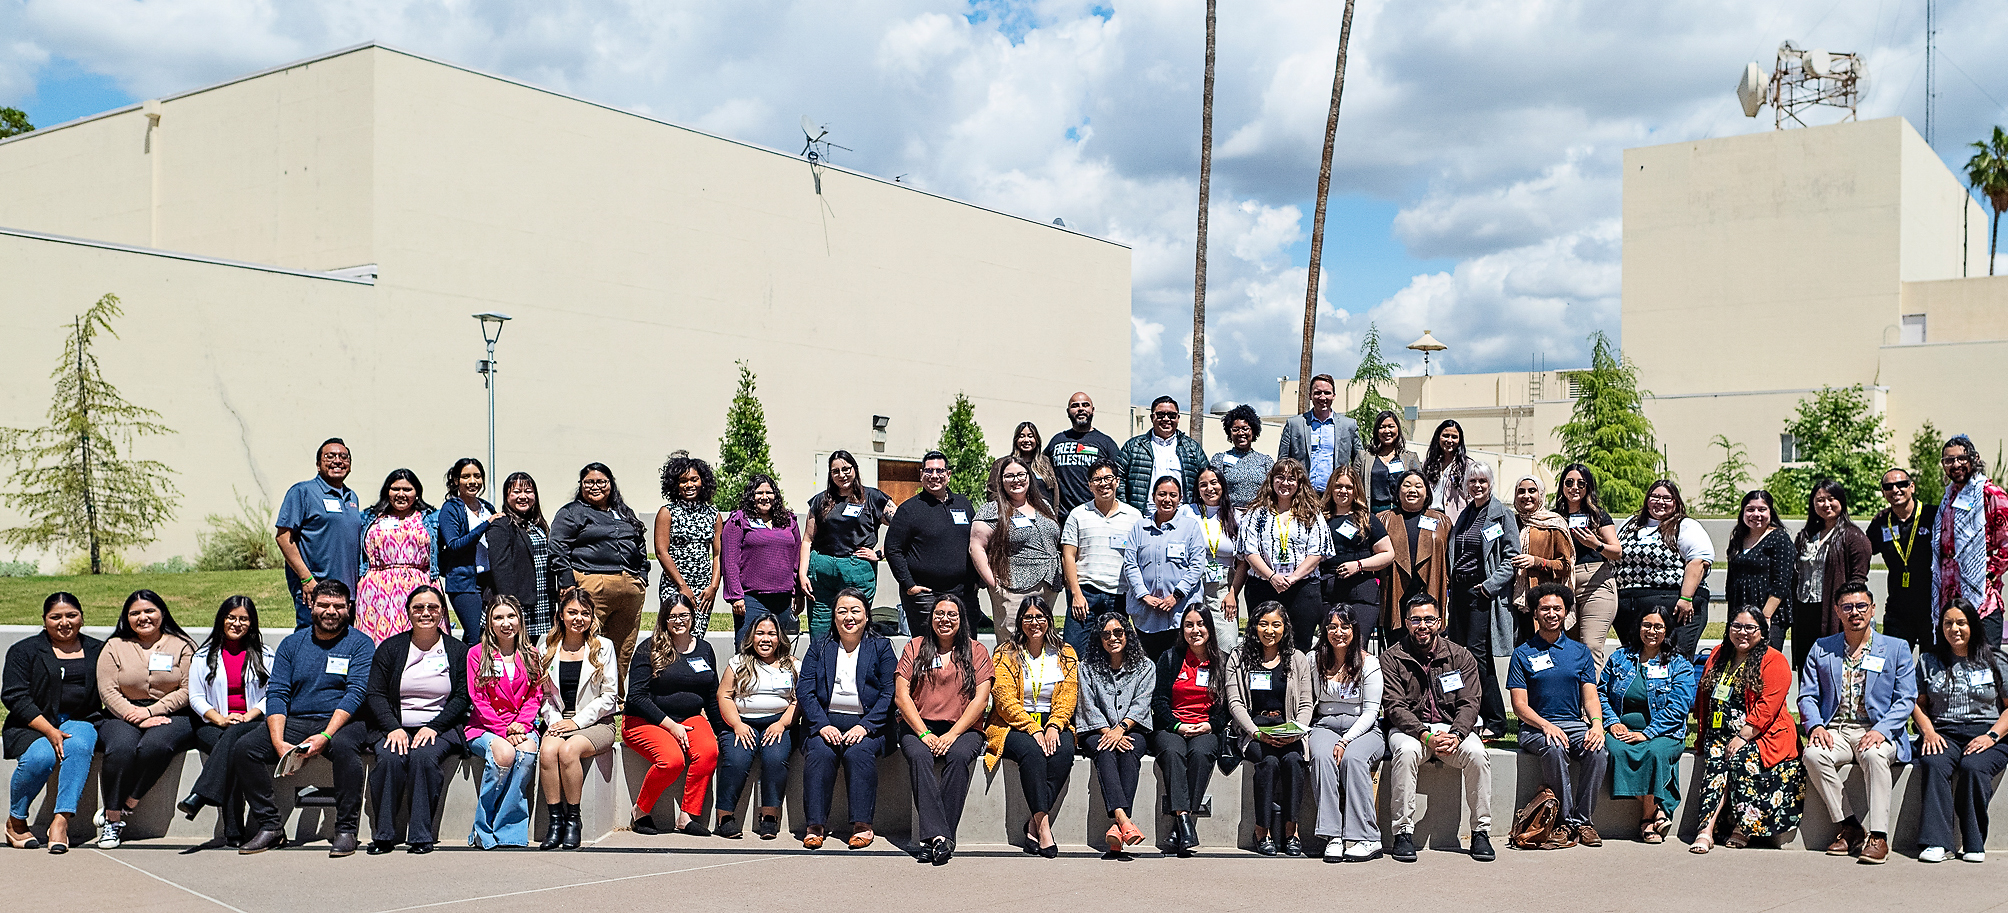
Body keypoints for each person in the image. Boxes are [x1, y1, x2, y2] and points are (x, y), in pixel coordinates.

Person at [234, 580, 375, 856]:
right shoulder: (292, 644)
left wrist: (326, 736)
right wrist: (278, 742)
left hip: (344, 721)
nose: (330, 611)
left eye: (338, 606)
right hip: (298, 719)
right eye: (323, 604)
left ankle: (346, 830)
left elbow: (356, 693)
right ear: (311, 605)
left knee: (346, 749)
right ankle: (270, 826)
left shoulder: (360, 644)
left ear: (349, 609)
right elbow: (277, 692)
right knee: (245, 749)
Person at [1798, 582, 1916, 865]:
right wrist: (1815, 726)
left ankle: (1878, 837)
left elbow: (1906, 699)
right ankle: (1849, 826)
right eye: (1848, 607)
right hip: (1835, 729)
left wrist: (1881, 730)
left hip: (1876, 729)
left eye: (1861, 606)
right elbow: (1807, 695)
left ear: (1872, 609)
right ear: (1837, 611)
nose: (1855, 613)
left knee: (1875, 756)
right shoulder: (1822, 649)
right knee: (1812, 754)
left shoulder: (1896, 648)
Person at [1380, 594, 1493, 863]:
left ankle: (1481, 832)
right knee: (1406, 753)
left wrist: (1456, 734)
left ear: (1440, 622)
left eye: (1429, 619)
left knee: (1478, 754)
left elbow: (1470, 701)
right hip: (1411, 731)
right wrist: (1424, 735)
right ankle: (1403, 833)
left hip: (1452, 728)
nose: (1423, 625)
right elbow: (1395, 707)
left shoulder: (1460, 656)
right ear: (1406, 623)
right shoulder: (1392, 658)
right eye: (1416, 619)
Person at [360, 585, 469, 854]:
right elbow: (375, 694)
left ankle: (421, 835)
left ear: (442, 612)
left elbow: (462, 697)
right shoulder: (390, 648)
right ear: (408, 612)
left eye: (432, 607)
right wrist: (393, 728)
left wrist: (434, 727)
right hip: (394, 726)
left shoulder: (456, 651)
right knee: (388, 758)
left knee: (423, 757)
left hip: (439, 727)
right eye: (418, 608)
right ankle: (384, 834)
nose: (425, 613)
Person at [1689, 607, 1804, 854]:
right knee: (1715, 762)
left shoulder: (1774, 660)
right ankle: (1706, 830)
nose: (1743, 633)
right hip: (1720, 732)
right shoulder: (1720, 654)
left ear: (1762, 633)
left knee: (1741, 759)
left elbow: (1768, 707)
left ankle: (1744, 827)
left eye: (1750, 628)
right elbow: (1704, 695)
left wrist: (1742, 736)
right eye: (1737, 626)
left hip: (1762, 734)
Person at [93, 589, 196, 849]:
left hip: (172, 712)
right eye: (135, 613)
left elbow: (187, 688)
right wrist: (135, 716)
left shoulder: (182, 645)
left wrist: (152, 712)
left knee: (155, 746)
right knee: (120, 749)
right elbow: (108, 690)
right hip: (121, 713)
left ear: (162, 612)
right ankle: (112, 819)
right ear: (126, 617)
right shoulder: (114, 646)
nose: (143, 617)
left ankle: (132, 799)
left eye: (149, 610)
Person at [1507, 583, 1608, 847]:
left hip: (1574, 725)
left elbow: (1590, 696)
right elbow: (1519, 705)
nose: (1551, 613)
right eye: (1545, 609)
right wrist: (1545, 725)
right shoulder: (1522, 653)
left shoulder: (1580, 652)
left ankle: (1584, 821)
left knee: (1598, 752)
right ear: (1535, 614)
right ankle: (1564, 823)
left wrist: (1597, 725)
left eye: (1557, 608)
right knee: (1553, 747)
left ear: (1566, 613)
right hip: (1534, 726)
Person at [800, 589, 900, 850]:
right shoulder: (820, 646)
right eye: (842, 611)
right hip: (825, 720)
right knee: (820, 753)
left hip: (869, 723)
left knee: (859, 753)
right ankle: (814, 826)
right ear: (833, 617)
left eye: (855, 611)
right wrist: (821, 725)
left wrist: (866, 726)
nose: (849, 617)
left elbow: (891, 691)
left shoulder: (880, 646)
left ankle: (862, 825)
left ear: (867, 616)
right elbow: (805, 690)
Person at [896, 594, 993, 864]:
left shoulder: (977, 651)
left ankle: (933, 838)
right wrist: (924, 734)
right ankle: (942, 838)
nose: (945, 620)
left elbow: (981, 700)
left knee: (959, 757)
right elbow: (902, 696)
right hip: (918, 725)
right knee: (919, 756)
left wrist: (952, 735)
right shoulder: (915, 647)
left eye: (952, 614)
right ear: (931, 618)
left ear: (962, 620)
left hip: (962, 727)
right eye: (939, 614)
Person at [1910, 599, 2008, 863]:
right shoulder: (1929, 660)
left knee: (1973, 767)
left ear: (1972, 625)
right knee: (1933, 762)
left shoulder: (1995, 659)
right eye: (1948, 623)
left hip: (1988, 733)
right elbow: (1916, 704)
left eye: (1961, 622)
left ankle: (1973, 842)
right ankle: (1936, 843)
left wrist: (1991, 737)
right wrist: (1928, 732)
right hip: (1944, 731)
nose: (1955, 628)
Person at [4, 593, 103, 853]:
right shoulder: (24, 651)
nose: (64, 622)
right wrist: (49, 730)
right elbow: (14, 695)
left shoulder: (98, 650)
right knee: (40, 757)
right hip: (32, 724)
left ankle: (60, 822)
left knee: (80, 745)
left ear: (81, 617)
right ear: (44, 620)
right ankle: (15, 821)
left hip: (80, 719)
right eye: (55, 617)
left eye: (71, 615)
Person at [983, 597, 1080, 857]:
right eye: (1028, 617)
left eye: (1039, 617)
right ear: (1020, 622)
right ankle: (1043, 827)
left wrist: (1054, 725)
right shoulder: (1005, 653)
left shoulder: (1065, 653)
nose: (1034, 623)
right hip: (1012, 723)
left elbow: (1069, 695)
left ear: (1049, 620)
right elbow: (1002, 697)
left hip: (1052, 720)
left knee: (1063, 753)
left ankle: (1032, 825)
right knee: (1033, 753)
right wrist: (1032, 728)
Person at [176, 596, 276, 846]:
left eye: (244, 618)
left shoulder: (265, 654)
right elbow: (196, 698)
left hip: (253, 721)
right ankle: (231, 828)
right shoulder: (202, 656)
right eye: (231, 617)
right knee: (232, 749)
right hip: (212, 724)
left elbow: (272, 695)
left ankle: (205, 801)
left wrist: (247, 715)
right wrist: (220, 719)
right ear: (221, 619)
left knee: (234, 745)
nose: (237, 623)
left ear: (252, 623)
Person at [1596, 604, 1695, 844]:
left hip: (1665, 732)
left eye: (1658, 627)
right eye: (1647, 625)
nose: (1652, 631)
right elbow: (1600, 693)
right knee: (1617, 751)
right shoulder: (1619, 658)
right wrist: (1611, 722)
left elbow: (1678, 708)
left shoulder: (1679, 665)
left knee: (1653, 753)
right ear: (1638, 627)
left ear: (1667, 631)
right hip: (1621, 729)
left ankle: (1646, 818)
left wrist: (1648, 733)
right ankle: (1660, 810)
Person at [624, 593, 721, 837]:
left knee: (709, 751)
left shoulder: (705, 649)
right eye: (672, 616)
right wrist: (670, 726)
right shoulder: (649, 649)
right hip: (645, 720)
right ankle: (640, 811)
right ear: (664, 620)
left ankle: (687, 816)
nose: (678, 621)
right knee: (671, 760)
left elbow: (711, 696)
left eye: (684, 615)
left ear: (693, 617)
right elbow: (636, 697)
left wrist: (723, 732)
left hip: (688, 718)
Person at [1225, 602, 1314, 856]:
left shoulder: (1297, 659)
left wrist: (1297, 731)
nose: (1269, 630)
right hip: (1253, 730)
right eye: (1263, 624)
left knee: (1294, 760)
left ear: (1285, 628)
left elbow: (1307, 703)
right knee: (1268, 763)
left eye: (1276, 624)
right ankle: (1261, 830)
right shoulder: (1239, 656)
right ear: (1254, 626)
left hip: (1289, 730)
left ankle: (1291, 830)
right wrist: (1255, 732)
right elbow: (1235, 702)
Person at [535, 587, 619, 851]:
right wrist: (556, 721)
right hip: (559, 719)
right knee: (548, 751)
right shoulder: (546, 647)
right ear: (561, 615)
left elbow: (609, 696)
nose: (578, 618)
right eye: (572, 612)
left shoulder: (603, 647)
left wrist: (577, 723)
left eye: (585, 613)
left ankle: (574, 819)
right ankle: (555, 821)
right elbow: (544, 695)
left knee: (569, 750)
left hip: (597, 723)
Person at [550, 462, 651, 677]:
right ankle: (584, 698)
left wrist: (642, 575)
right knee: (589, 641)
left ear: (611, 484)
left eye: (601, 482)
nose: (595, 487)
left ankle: (615, 700)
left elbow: (640, 544)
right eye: (589, 482)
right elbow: (558, 547)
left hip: (630, 587)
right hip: (592, 582)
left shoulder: (624, 512)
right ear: (581, 485)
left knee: (623, 648)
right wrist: (567, 582)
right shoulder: (572, 512)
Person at [1306, 608, 1386, 862]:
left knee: (1353, 759)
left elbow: (1372, 712)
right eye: (1332, 627)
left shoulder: (1369, 663)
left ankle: (1367, 838)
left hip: (1363, 729)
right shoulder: (1313, 659)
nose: (1338, 633)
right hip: (1325, 724)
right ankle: (1333, 836)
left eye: (1344, 627)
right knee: (1320, 756)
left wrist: (1346, 740)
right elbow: (1308, 701)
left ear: (1355, 630)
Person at [1447, 462, 1520, 737]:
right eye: (1472, 481)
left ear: (1491, 484)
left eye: (1482, 482)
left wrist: (1490, 586)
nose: (1477, 486)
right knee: (1460, 653)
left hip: (1482, 593)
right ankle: (1477, 714)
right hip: (1459, 595)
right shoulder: (1466, 515)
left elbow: (1512, 558)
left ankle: (1490, 718)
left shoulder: (1503, 516)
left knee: (1476, 656)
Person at [713, 613, 799, 840]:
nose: (766, 639)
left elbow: (798, 700)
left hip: (778, 723)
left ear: (780, 637)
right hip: (740, 723)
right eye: (760, 633)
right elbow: (724, 695)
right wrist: (737, 725)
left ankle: (769, 817)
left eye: (771, 633)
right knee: (736, 759)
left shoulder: (791, 664)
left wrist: (781, 724)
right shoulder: (738, 663)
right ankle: (724, 817)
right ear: (751, 636)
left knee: (775, 759)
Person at [1151, 605, 1228, 858]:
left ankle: (1178, 826)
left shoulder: (1223, 661)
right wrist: (1177, 725)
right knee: (1172, 754)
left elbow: (1228, 706)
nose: (1195, 630)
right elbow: (1159, 700)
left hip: (1206, 726)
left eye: (1200, 624)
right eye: (1189, 625)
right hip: (1173, 726)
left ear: (1210, 628)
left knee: (1200, 755)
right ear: (1182, 629)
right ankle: (1186, 820)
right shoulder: (1171, 658)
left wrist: (1210, 725)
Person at [1074, 611, 1153, 856]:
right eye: (1106, 634)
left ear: (1127, 634)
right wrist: (1108, 731)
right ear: (1099, 639)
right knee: (1105, 751)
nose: (1112, 638)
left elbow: (1142, 703)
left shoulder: (1145, 666)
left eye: (1118, 632)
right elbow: (1087, 703)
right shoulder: (1087, 667)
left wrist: (1120, 729)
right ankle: (1124, 819)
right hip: (1095, 730)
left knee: (1130, 752)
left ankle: (1117, 828)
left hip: (1133, 728)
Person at [466, 596, 541, 849]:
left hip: (522, 726)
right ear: (489, 623)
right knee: (504, 753)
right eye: (498, 617)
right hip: (485, 727)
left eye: (511, 616)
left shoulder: (531, 654)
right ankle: (482, 828)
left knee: (526, 751)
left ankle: (509, 828)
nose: (505, 623)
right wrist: (504, 730)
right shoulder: (477, 654)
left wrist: (521, 723)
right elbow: (478, 699)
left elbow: (535, 695)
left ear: (520, 620)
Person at [799, 450, 896, 641]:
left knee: (852, 629)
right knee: (820, 631)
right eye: (836, 471)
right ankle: (822, 668)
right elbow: (807, 540)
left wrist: (880, 553)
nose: (841, 475)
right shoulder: (820, 500)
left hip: (857, 569)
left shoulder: (873, 498)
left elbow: (904, 527)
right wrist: (802, 575)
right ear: (830, 474)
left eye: (846, 469)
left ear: (855, 469)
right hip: (822, 572)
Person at [1239, 459, 1334, 652]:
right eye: (1280, 477)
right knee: (1262, 644)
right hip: (1263, 586)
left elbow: (1317, 552)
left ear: (1299, 483)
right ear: (1271, 480)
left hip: (1302, 589)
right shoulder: (1256, 513)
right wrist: (1272, 577)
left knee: (1299, 646)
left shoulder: (1312, 513)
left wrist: (1292, 578)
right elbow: (1250, 551)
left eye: (1292, 479)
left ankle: (1297, 681)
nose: (1285, 483)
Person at [886, 451, 981, 636]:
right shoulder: (909, 509)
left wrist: (977, 580)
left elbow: (976, 542)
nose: (934, 476)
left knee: (967, 649)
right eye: (929, 471)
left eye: (940, 471)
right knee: (927, 651)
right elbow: (893, 548)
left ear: (949, 474)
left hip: (964, 595)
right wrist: (909, 585)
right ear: (921, 474)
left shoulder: (963, 504)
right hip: (925, 597)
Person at [1615, 480, 1712, 659]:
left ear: (1676, 502)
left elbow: (1699, 562)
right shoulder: (1630, 523)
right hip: (1629, 608)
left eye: (1667, 498)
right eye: (1655, 497)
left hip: (1674, 606)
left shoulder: (1686, 525)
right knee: (1634, 659)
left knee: (1675, 658)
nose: (1660, 502)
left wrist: (1686, 597)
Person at [973, 455, 1063, 639]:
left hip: (1048, 585)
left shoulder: (1043, 506)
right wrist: (994, 584)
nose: (1017, 480)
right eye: (1010, 476)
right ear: (1001, 480)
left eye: (1021, 474)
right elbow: (976, 547)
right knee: (1012, 643)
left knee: (1041, 641)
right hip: (1012, 588)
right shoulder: (992, 509)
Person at [276, 438, 362, 629]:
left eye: (343, 457)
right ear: (317, 464)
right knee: (311, 640)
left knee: (343, 645)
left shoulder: (351, 497)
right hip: (315, 588)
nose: (337, 461)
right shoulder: (303, 492)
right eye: (330, 456)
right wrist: (306, 579)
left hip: (347, 592)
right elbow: (283, 536)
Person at [1119, 474, 1207, 658]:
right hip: (1146, 614)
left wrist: (1176, 596)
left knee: (1177, 665)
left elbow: (1197, 566)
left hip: (1180, 612)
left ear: (1180, 499)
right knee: (1149, 664)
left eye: (1173, 495)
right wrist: (1144, 595)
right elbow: (1131, 564)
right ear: (1153, 497)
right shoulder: (1139, 527)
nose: (1167, 499)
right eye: (1162, 494)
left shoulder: (1190, 527)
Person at [1790, 480, 1873, 670]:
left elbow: (1858, 579)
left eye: (1831, 499)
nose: (1826, 504)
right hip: (1804, 610)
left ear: (1841, 501)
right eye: (1820, 500)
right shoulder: (1806, 535)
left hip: (1832, 613)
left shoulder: (1853, 536)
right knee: (1807, 664)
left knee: (1830, 665)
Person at [1064, 457, 1144, 656]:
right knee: (1074, 652)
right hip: (1085, 595)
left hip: (1119, 595)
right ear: (1090, 485)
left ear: (1117, 481)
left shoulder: (1134, 517)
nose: (1103, 484)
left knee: (1115, 654)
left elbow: (1140, 557)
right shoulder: (1078, 514)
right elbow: (1068, 556)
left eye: (1108, 478)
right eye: (1097, 480)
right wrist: (1076, 594)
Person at [352, 469, 441, 643]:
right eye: (395, 489)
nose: (401, 494)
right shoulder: (369, 517)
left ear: (417, 492)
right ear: (387, 491)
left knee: (420, 637)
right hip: (376, 589)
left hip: (418, 586)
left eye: (407, 489)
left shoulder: (431, 517)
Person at [1936, 434, 2008, 646]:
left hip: (1981, 592)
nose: (1955, 465)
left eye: (1961, 458)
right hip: (1950, 591)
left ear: (1974, 458)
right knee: (1954, 657)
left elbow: (2006, 544)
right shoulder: (1949, 496)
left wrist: (1987, 575)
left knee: (1985, 656)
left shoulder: (1991, 493)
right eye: (1949, 460)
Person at [1553, 463, 1621, 673]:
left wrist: (1596, 544)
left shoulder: (1597, 515)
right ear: (1562, 486)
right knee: (1568, 649)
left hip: (1596, 583)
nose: (1575, 487)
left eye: (1581, 483)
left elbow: (1617, 552)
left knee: (1591, 647)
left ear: (1588, 487)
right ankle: (1571, 703)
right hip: (1564, 584)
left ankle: (1591, 706)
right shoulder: (1554, 516)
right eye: (1569, 482)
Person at [722, 473, 804, 639]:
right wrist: (736, 597)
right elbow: (729, 561)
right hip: (751, 599)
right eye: (759, 493)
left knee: (776, 650)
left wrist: (798, 592)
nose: (764, 497)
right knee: (747, 648)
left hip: (783, 600)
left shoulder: (788, 520)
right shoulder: (739, 520)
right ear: (750, 496)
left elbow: (797, 557)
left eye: (769, 492)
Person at [1321, 465, 1394, 643]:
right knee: (1331, 646)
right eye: (1338, 486)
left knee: (1357, 646)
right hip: (1327, 592)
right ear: (1331, 487)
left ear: (1356, 490)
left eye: (1349, 487)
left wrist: (1359, 565)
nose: (1343, 491)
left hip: (1361, 592)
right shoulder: (1320, 518)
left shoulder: (1366, 518)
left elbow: (1388, 553)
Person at [1868, 468, 1939, 648]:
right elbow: (1863, 552)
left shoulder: (1933, 515)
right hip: (1898, 609)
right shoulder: (1881, 522)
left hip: (1932, 607)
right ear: (1884, 492)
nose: (1895, 490)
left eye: (1901, 484)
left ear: (1912, 487)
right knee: (1891, 664)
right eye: (1888, 486)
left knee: (1932, 665)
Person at [653, 454, 723, 637]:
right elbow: (661, 552)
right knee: (673, 633)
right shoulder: (667, 512)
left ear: (703, 482)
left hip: (703, 588)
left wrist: (713, 587)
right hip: (674, 584)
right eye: (683, 481)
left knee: (696, 635)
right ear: (675, 484)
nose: (689, 485)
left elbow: (718, 554)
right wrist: (682, 586)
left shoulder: (713, 514)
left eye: (694, 479)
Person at [485, 472, 558, 640]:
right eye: (516, 492)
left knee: (531, 649)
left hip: (541, 599)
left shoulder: (537, 524)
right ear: (507, 496)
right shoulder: (501, 524)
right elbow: (500, 567)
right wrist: (510, 606)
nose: (523, 496)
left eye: (528, 491)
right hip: (518, 601)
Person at [1379, 470, 1450, 634]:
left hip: (1429, 588)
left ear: (1427, 492)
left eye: (1418, 486)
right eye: (1407, 485)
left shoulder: (1442, 521)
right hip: (1395, 591)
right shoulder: (1384, 518)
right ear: (1398, 491)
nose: (1412, 490)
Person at [1724, 490, 1795, 654]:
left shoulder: (1779, 538)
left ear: (1770, 512)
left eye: (1762, 509)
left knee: (1763, 662)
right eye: (1750, 509)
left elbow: (1782, 582)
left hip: (1769, 614)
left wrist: (1764, 618)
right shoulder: (1738, 538)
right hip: (1739, 611)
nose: (1756, 514)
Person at [1508, 475, 1573, 647]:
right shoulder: (1511, 522)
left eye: (1532, 491)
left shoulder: (1554, 523)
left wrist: (1537, 562)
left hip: (1542, 601)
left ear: (1541, 494)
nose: (1526, 496)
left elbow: (1566, 565)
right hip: (1514, 600)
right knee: (1521, 652)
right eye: (1521, 492)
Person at [1276, 375, 1363, 496]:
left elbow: (1359, 462)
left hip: (1335, 496)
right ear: (1310, 395)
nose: (1322, 397)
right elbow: (1282, 462)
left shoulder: (1348, 425)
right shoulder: (1294, 424)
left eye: (1327, 393)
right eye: (1318, 393)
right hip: (1302, 494)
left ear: (1334, 396)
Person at [439, 458, 497, 637]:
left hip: (488, 581)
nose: (473, 481)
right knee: (474, 636)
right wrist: (484, 525)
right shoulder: (451, 508)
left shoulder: (487, 507)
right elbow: (454, 545)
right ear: (456, 480)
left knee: (488, 634)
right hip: (464, 583)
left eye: (477, 476)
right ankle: (467, 665)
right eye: (466, 476)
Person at [1121, 396, 1207, 513]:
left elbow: (1206, 479)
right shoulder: (1133, 446)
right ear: (1152, 417)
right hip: (1144, 515)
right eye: (1161, 415)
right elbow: (1119, 480)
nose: (1166, 419)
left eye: (1171, 415)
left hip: (1182, 516)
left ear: (1178, 418)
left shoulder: (1192, 448)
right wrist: (1128, 511)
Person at [1044, 392, 1125, 515]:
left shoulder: (1106, 442)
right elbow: (1039, 468)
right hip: (1062, 516)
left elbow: (1119, 479)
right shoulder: (1057, 441)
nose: (1081, 408)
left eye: (1085, 405)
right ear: (1068, 412)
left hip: (1095, 515)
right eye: (1075, 405)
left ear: (1092, 410)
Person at [1193, 466, 1245, 647]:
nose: (1209, 488)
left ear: (1222, 485)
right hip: (1193, 584)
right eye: (1203, 484)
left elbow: (1242, 563)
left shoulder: (1236, 516)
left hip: (1224, 588)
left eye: (1214, 483)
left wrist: (1232, 593)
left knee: (1227, 642)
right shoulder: (1187, 513)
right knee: (1197, 643)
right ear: (1197, 490)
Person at [1209, 404, 1274, 510]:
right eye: (1236, 429)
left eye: (1245, 428)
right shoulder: (1219, 459)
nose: (1241, 433)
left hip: (1258, 515)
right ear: (1230, 432)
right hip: (1229, 515)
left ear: (1253, 431)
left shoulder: (1266, 461)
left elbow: (1272, 491)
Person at [1420, 420, 1473, 523]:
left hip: (1456, 521)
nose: (1449, 440)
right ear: (1438, 437)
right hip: (1428, 518)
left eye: (1454, 437)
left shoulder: (1467, 465)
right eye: (1445, 435)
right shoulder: (1427, 464)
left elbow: (1472, 497)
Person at [1364, 410, 1414, 514]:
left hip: (1402, 513)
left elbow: (1420, 485)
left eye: (1391, 426)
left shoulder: (1410, 457)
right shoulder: (1364, 457)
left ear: (1398, 429)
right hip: (1373, 513)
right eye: (1382, 427)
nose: (1387, 431)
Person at [1010, 421, 1059, 505]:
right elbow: (994, 493)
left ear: (1036, 440)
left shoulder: (1045, 463)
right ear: (1016, 440)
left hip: (1045, 514)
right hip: (1017, 515)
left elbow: (1054, 492)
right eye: (1022, 436)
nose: (1026, 440)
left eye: (1030, 436)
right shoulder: (1007, 464)